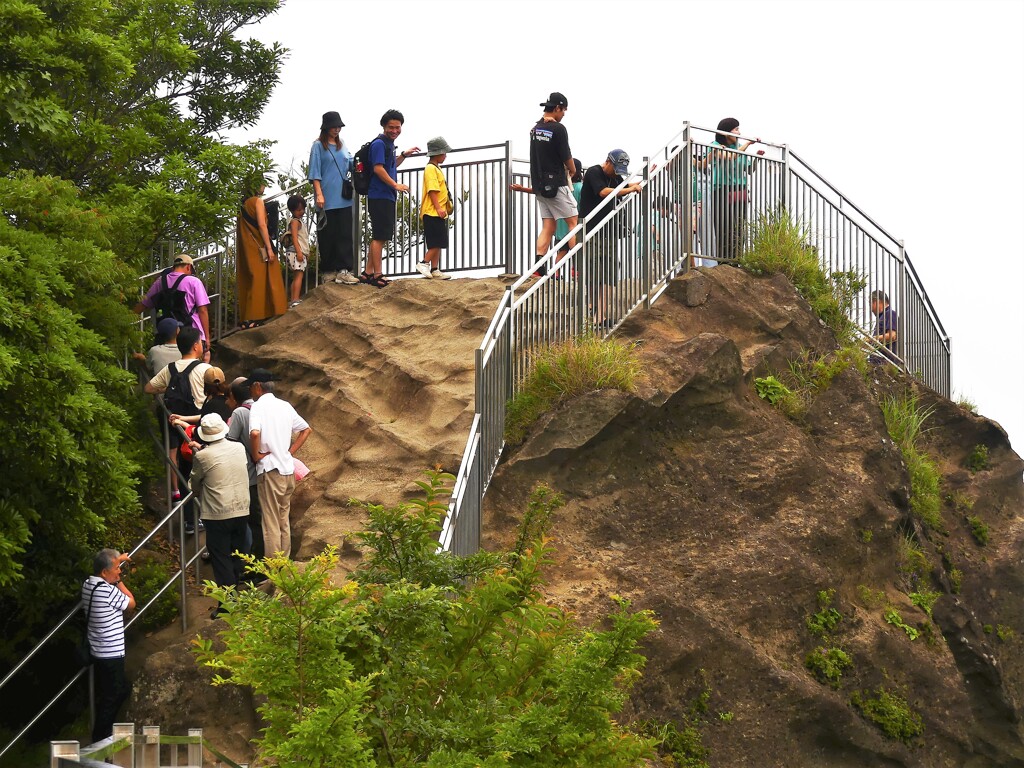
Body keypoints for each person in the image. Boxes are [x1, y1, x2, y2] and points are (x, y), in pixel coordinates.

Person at [144, 326, 211, 511]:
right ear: (196, 346)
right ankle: (200, 511)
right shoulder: (205, 369)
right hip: (197, 424)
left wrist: (167, 388)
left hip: (175, 423)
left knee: (182, 465)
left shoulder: (170, 369)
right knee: (200, 465)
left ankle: (184, 506)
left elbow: (148, 388)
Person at [247, 368, 312, 558]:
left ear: (258, 387)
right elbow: (306, 429)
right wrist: (289, 452)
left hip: (269, 470)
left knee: (270, 522)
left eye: (251, 387)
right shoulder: (285, 405)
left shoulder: (257, 407)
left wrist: (256, 455)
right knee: (283, 520)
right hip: (287, 470)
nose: (250, 391)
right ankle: (285, 566)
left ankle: (274, 571)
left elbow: (255, 433)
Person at [190, 413, 250, 617]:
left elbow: (195, 483)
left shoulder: (202, 456)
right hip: (242, 508)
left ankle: (227, 604)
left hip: (217, 513)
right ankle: (239, 596)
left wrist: (199, 453)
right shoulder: (239, 447)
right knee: (236, 552)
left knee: (220, 557)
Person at [578, 150, 642, 328]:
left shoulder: (615, 179)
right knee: (592, 270)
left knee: (609, 274)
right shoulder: (593, 172)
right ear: (607, 161)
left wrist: (638, 183)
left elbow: (621, 188)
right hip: (590, 231)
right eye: (615, 168)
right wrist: (630, 188)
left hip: (609, 232)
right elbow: (603, 192)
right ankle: (591, 308)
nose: (616, 173)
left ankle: (601, 316)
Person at [82, 548, 135, 746]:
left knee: (111, 693)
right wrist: (119, 583)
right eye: (116, 568)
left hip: (98, 651)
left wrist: (117, 560)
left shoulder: (88, 585)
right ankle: (99, 742)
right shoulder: (107, 590)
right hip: (111, 653)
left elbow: (105, 564)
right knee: (113, 697)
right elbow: (131, 602)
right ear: (104, 573)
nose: (119, 571)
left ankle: (103, 739)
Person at [362, 109, 420, 288]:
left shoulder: (387, 144)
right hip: (379, 194)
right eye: (391, 127)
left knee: (382, 234)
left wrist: (403, 155)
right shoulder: (379, 144)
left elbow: (389, 164)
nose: (394, 130)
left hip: (385, 195)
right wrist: (395, 185)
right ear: (384, 126)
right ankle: (378, 275)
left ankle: (367, 272)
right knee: (380, 235)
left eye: (398, 127)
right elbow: (378, 168)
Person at [528, 92, 577, 277]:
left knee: (548, 226)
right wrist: (573, 170)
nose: (564, 114)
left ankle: (538, 268)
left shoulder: (535, 129)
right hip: (555, 184)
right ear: (557, 108)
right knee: (574, 222)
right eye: (563, 110)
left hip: (539, 185)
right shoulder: (558, 129)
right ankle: (579, 267)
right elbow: (566, 154)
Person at [702, 117, 764, 264]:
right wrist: (748, 144)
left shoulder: (739, 145)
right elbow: (729, 157)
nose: (739, 132)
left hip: (739, 189)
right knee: (724, 226)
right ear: (725, 132)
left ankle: (736, 259)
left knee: (739, 226)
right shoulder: (715, 146)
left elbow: (749, 170)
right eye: (735, 129)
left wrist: (757, 159)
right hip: (722, 189)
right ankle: (724, 261)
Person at [307, 111, 359, 286]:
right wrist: (319, 193)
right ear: (326, 127)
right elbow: (315, 172)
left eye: (339, 126)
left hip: (343, 197)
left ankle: (344, 270)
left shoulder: (342, 144)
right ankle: (328, 271)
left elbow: (351, 162)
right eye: (334, 126)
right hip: (326, 197)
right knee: (327, 235)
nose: (337, 129)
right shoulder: (318, 146)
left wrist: (362, 164)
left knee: (344, 233)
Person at [511, 157, 583, 276]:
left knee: (553, 238)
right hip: (569, 225)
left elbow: (539, 190)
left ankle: (544, 268)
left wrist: (522, 188)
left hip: (559, 228)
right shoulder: (579, 187)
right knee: (573, 225)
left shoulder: (540, 161)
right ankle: (578, 267)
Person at [237, 174, 287, 329]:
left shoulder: (243, 204)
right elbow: (262, 225)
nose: (264, 186)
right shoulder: (257, 202)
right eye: (262, 183)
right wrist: (269, 247)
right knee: (262, 278)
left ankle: (247, 318)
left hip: (246, 247)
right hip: (259, 245)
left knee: (251, 279)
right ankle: (257, 316)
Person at [133, 254, 212, 350]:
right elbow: (202, 310)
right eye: (191, 271)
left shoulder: (160, 281)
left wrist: (127, 319)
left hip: (167, 336)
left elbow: (143, 304)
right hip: (191, 335)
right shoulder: (194, 281)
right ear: (188, 266)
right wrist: (207, 338)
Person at [226, 377, 263, 561]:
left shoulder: (240, 413)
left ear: (233, 395)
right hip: (267, 471)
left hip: (249, 476)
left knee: (255, 522)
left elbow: (228, 441)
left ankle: (256, 565)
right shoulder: (262, 407)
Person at [415, 136, 454, 280]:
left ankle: (435, 268)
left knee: (440, 241)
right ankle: (424, 263)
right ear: (437, 153)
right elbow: (432, 190)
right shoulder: (431, 168)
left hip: (438, 212)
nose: (445, 155)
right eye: (444, 152)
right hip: (432, 211)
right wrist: (438, 208)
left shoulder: (437, 168)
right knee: (435, 241)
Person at [284, 195, 310, 306]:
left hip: (296, 252)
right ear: (292, 210)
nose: (302, 212)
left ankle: (293, 299)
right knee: (299, 275)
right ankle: (295, 299)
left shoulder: (298, 221)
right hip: (296, 252)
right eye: (299, 210)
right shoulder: (295, 222)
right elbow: (294, 238)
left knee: (296, 276)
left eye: (303, 209)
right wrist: (300, 252)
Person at [870, 290, 900, 362]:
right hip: (881, 362)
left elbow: (892, 336)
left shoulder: (890, 313)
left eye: (870, 303)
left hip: (885, 362)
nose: (871, 308)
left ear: (876, 301)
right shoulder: (883, 316)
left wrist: (871, 339)